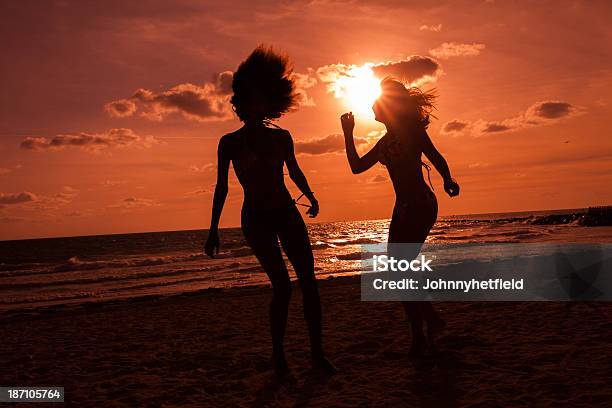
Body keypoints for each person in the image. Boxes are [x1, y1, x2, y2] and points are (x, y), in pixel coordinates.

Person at [204, 46, 335, 376]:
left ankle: (317, 355)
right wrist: (213, 229)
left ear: (268, 103)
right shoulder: (229, 143)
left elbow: (295, 171)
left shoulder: (282, 138)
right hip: (255, 219)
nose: (253, 106)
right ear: (241, 104)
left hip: (287, 212)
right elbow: (222, 187)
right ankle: (279, 356)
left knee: (309, 282)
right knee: (282, 287)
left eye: (259, 100)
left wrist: (311, 197)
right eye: (248, 100)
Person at [341, 78, 460, 356]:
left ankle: (421, 332)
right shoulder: (384, 142)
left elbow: (436, 156)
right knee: (399, 271)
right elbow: (357, 167)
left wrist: (447, 179)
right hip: (402, 207)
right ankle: (430, 321)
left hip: (420, 203)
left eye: (378, 99)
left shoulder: (412, 131)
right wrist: (348, 133)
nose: (372, 104)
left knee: (399, 269)